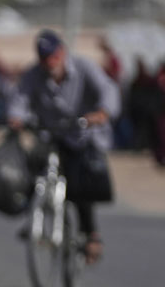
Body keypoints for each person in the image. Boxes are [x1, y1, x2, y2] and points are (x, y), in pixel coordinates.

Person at [8, 30, 121, 264]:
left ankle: (91, 234)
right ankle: (34, 217)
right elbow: (19, 98)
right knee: (32, 168)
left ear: (62, 52)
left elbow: (108, 90)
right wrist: (16, 118)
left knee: (81, 188)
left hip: (82, 136)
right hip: (51, 135)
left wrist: (102, 113)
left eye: (54, 57)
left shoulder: (83, 67)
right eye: (45, 59)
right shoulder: (34, 75)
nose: (50, 63)